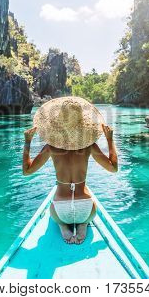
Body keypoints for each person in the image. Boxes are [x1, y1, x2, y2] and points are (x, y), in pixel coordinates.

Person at [22, 97, 118, 245]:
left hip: (60, 210)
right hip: (86, 209)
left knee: (56, 213)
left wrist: (27, 142)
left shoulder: (51, 148)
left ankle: (63, 226)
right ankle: (83, 224)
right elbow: (113, 168)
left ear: (58, 123)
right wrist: (110, 139)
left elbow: (27, 171)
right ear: (81, 123)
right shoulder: (89, 146)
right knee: (87, 204)